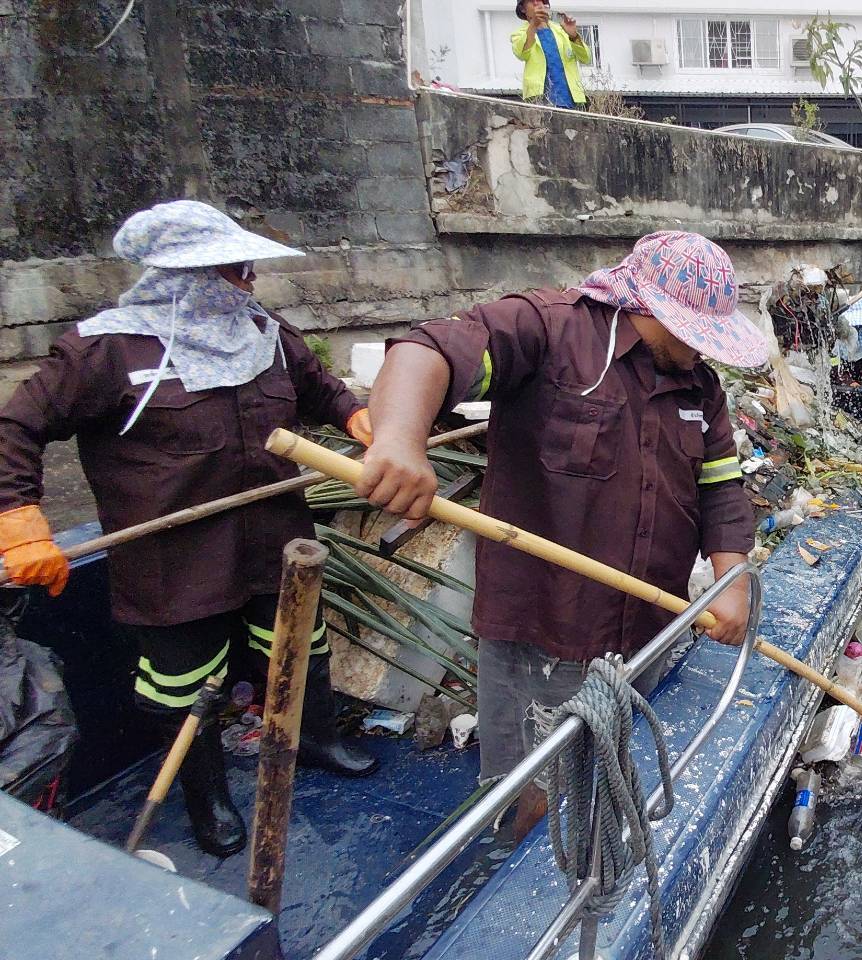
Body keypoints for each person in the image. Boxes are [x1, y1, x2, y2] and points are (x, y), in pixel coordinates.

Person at [0, 200, 378, 857]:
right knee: (185, 683)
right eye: (236, 268)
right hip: (174, 563)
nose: (250, 279)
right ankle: (208, 800)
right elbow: (18, 426)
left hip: (276, 540)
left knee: (298, 644)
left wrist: (360, 421)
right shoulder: (106, 348)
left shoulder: (265, 332)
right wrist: (18, 514)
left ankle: (316, 740)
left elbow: (321, 388)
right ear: (186, 276)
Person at [356, 231, 764, 836]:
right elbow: (430, 349)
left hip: (648, 627)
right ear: (650, 310)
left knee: (615, 775)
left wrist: (731, 580)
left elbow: (720, 485)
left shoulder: (699, 385)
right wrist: (398, 439)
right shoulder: (549, 331)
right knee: (538, 792)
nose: (704, 351)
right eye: (696, 334)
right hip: (547, 631)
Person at [512, 0, 593, 110]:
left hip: (572, 100)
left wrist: (574, 36)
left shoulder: (561, 29)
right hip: (540, 101)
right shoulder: (519, 34)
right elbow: (522, 53)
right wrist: (533, 25)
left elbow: (586, 58)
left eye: (540, 0)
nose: (536, 3)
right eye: (531, 0)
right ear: (523, 9)